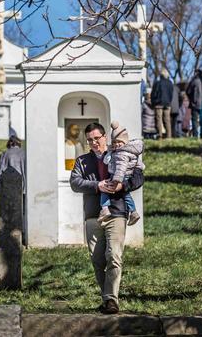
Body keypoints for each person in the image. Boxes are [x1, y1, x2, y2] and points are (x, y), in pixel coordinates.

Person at [70, 122, 144, 315]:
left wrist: (122, 186)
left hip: (117, 211)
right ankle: (106, 298)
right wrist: (97, 185)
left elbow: (138, 177)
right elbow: (75, 183)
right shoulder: (82, 161)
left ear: (105, 137)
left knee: (114, 256)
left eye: (97, 138)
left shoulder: (121, 153)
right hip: (93, 215)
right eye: (90, 140)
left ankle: (111, 300)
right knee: (97, 260)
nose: (94, 143)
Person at [98, 121, 143, 227]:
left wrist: (116, 180)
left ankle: (105, 209)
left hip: (119, 176)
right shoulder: (128, 151)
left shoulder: (121, 154)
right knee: (126, 195)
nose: (116, 144)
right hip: (125, 176)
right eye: (114, 142)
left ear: (125, 142)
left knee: (104, 190)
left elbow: (121, 167)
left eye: (119, 142)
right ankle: (134, 212)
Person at [0, 135, 27, 245]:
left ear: (10, 143)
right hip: (24, 188)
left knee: (8, 215)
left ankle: (8, 239)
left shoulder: (5, 154)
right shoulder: (25, 154)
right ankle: (23, 238)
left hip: (8, 190)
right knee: (23, 213)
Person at [150, 69, 179, 139]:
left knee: (159, 119)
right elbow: (171, 94)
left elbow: (154, 93)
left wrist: (153, 102)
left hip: (158, 103)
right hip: (167, 103)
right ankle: (169, 136)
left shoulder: (157, 83)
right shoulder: (170, 83)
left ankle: (160, 135)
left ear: (161, 75)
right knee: (167, 120)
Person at [186, 69, 202, 138]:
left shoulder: (194, 81)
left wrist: (192, 99)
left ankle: (195, 136)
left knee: (194, 120)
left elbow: (188, 91)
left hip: (195, 104)